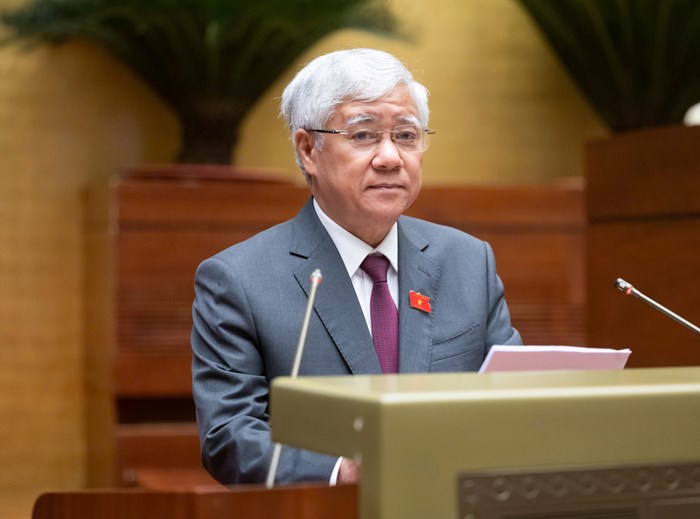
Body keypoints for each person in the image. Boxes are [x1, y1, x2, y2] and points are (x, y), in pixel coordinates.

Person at [191, 48, 521, 487]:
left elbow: (516, 401)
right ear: (308, 149)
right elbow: (229, 436)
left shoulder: (467, 262)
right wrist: (341, 473)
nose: (390, 157)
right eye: (364, 135)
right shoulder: (239, 281)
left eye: (406, 135)